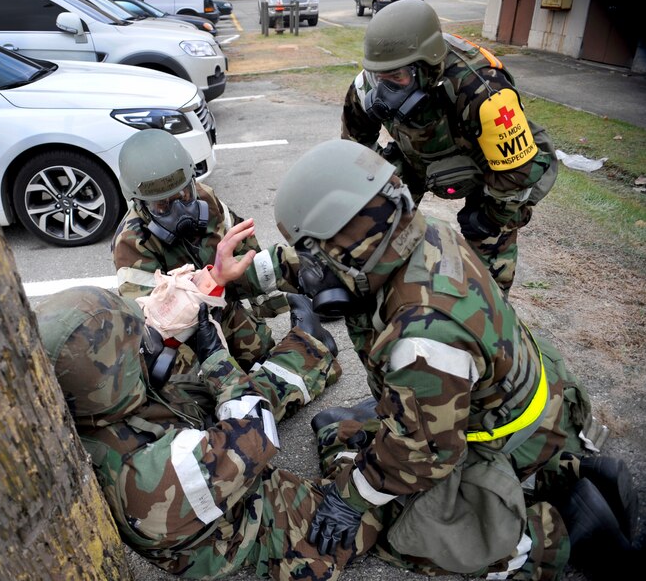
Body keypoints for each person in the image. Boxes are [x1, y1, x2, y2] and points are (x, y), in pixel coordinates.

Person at [272, 139, 638, 580]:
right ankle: (571, 470)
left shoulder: (422, 338)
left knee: (404, 534)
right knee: (341, 428)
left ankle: (560, 533)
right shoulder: (417, 232)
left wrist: (350, 501)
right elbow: (335, 258)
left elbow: (425, 457)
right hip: (525, 401)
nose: (314, 267)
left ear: (346, 245)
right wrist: (247, 270)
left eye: (315, 253)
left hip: (497, 440)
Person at [35, 226, 378, 579]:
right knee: (358, 524)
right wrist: (215, 359)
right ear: (119, 379)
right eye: (138, 343)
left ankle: (311, 349)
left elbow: (148, 333)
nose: (147, 340)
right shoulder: (150, 478)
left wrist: (208, 284)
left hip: (168, 447)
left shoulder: (78, 397)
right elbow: (256, 432)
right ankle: (339, 438)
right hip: (242, 525)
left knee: (215, 389)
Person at [341, 0, 558, 292]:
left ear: (426, 67)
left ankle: (489, 312)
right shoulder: (368, 84)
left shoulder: (485, 91)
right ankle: (363, 284)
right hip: (418, 158)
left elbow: (516, 173)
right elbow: (354, 147)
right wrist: (374, 192)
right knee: (374, 215)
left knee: (489, 238)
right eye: (380, 77)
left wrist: (490, 216)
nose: (385, 91)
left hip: (487, 168)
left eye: (397, 78)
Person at [112, 128, 306, 374]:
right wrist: (211, 282)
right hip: (184, 333)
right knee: (199, 390)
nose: (180, 210)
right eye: (163, 205)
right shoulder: (130, 244)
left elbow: (249, 255)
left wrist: (276, 301)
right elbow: (154, 325)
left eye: (184, 194)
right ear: (139, 203)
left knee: (260, 351)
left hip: (223, 304)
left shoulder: (206, 199)